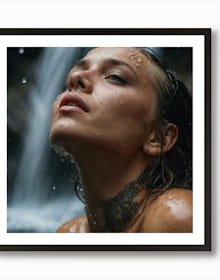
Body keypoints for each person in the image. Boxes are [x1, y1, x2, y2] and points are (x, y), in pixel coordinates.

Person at [49, 47, 192, 233]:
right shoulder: (68, 233)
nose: (75, 80)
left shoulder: (176, 216)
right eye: (72, 75)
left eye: (115, 77)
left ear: (158, 137)